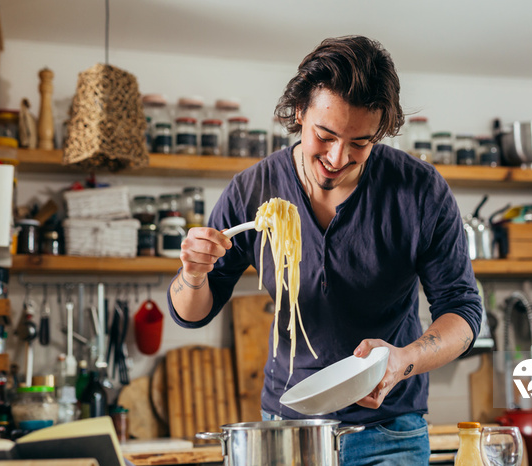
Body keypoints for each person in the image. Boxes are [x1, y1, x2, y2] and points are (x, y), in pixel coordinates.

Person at [168, 35, 482, 465]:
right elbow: (192, 312)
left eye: (360, 143)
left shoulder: (419, 190)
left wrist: (403, 360)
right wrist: (193, 273)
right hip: (287, 429)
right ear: (299, 112)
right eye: (325, 135)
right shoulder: (253, 190)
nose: (338, 156)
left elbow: (463, 311)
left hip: (391, 430)